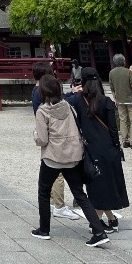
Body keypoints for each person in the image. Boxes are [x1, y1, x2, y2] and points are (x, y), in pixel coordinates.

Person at [31, 74, 109, 247]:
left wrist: (35, 135)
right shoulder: (68, 106)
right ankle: (98, 231)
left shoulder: (43, 111)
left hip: (52, 157)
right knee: (80, 194)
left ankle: (44, 229)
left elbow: (42, 140)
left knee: (44, 192)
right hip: (73, 156)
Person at [67, 67, 129, 234]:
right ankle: (110, 219)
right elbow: (113, 130)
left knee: (96, 187)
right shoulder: (107, 102)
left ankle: (97, 222)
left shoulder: (77, 100)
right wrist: (118, 148)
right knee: (108, 185)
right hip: (108, 148)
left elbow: (62, 101)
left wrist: (74, 90)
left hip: (90, 150)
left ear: (83, 81)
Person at [31, 62, 79, 221]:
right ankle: (58, 205)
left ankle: (53, 204)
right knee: (58, 173)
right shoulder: (42, 93)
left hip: (49, 136)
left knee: (51, 176)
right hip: (55, 138)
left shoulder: (36, 90)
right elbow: (58, 105)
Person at [108, 53, 132, 149]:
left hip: (119, 100)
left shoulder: (111, 72)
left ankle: (125, 140)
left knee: (123, 120)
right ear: (123, 61)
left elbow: (112, 88)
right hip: (130, 99)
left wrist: (115, 99)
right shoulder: (128, 72)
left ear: (114, 62)